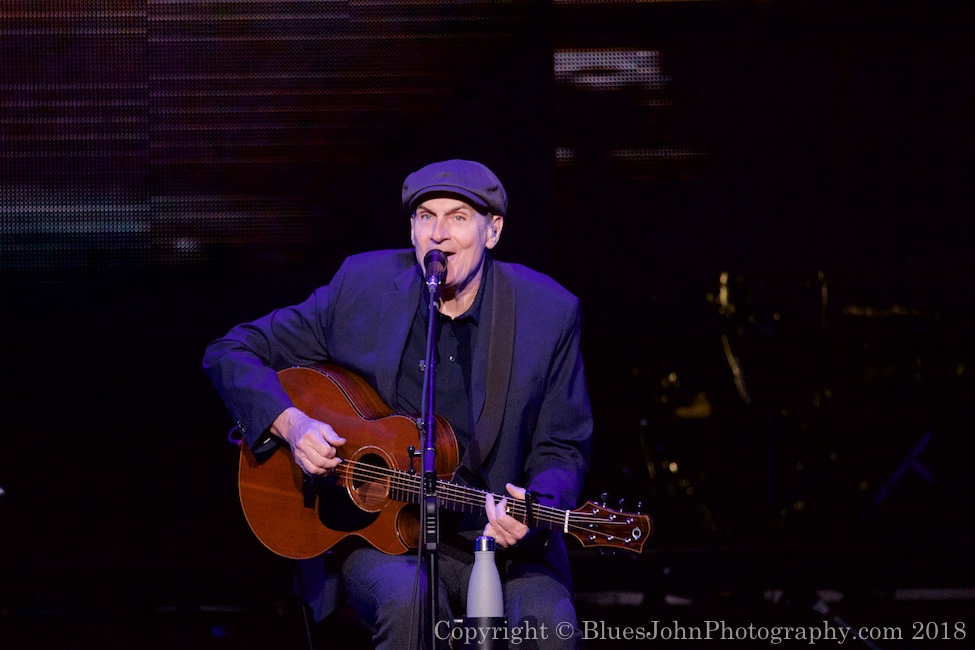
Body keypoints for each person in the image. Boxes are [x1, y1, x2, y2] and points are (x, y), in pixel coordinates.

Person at [202, 159, 592, 649]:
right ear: (411, 229)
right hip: (383, 541)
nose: (439, 235)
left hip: (504, 547)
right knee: (411, 607)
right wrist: (293, 425)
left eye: (458, 217)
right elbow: (230, 351)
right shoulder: (362, 286)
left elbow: (563, 446)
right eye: (426, 216)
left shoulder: (548, 311)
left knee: (549, 630)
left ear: (493, 231)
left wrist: (536, 507)